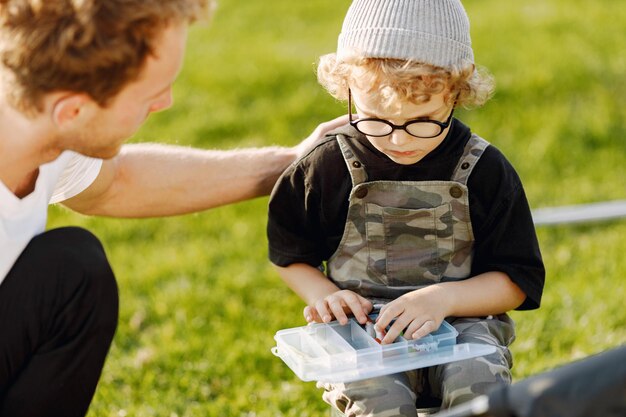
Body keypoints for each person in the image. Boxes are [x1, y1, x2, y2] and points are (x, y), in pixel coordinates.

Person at [0, 1, 346, 416]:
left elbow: (117, 181)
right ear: (73, 110)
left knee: (71, 272)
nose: (165, 102)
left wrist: (294, 162)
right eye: (151, 92)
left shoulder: (39, 120)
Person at [267, 0, 545, 415]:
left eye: (423, 121)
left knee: (477, 387)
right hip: (364, 331)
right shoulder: (324, 168)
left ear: (456, 92)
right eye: (375, 119)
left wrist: (442, 300)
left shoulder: (485, 171)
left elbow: (518, 280)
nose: (399, 140)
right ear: (346, 89)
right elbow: (289, 254)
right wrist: (324, 294)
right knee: (380, 399)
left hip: (464, 325)